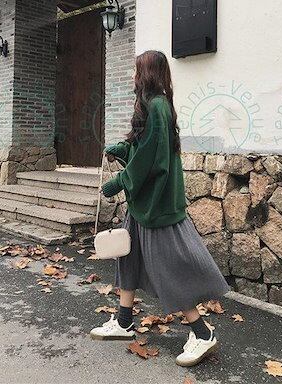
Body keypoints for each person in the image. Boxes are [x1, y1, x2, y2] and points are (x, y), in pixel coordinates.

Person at [90, 50, 230, 367]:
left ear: (148, 74)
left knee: (168, 267)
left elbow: (152, 160)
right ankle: (124, 321)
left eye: (137, 70)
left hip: (156, 205)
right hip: (145, 204)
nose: (133, 76)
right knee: (128, 258)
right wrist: (122, 148)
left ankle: (202, 333)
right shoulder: (154, 104)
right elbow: (146, 148)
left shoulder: (156, 106)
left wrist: (120, 181)